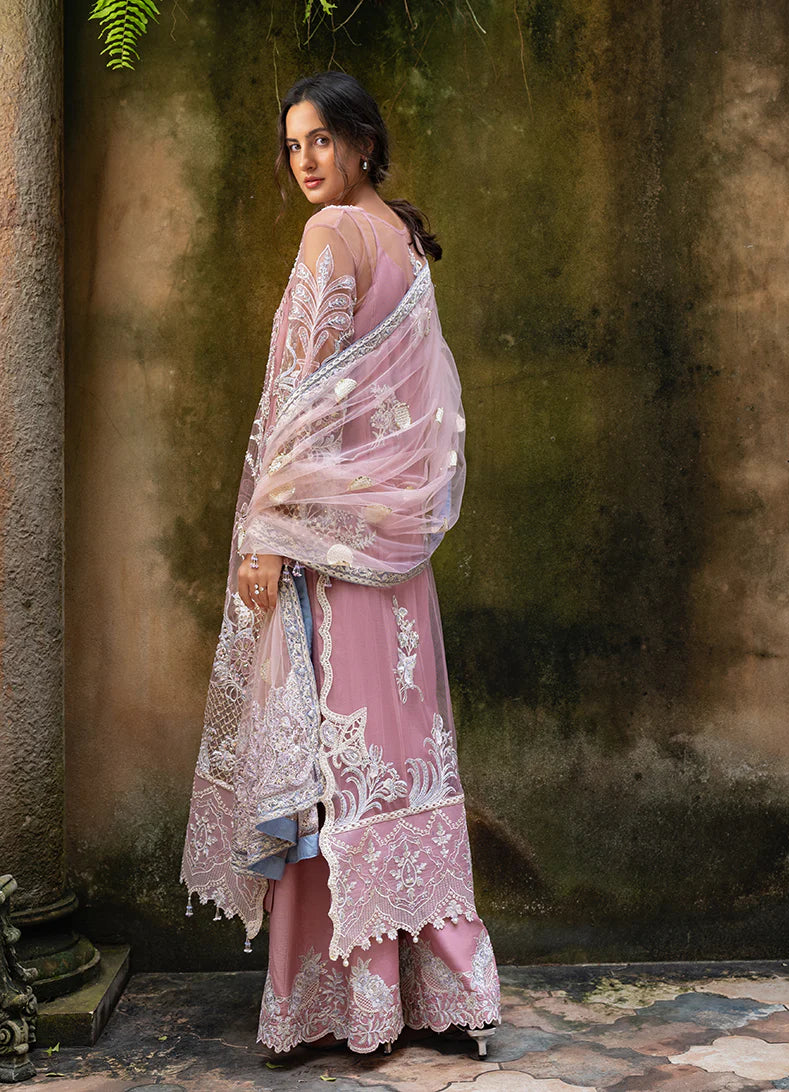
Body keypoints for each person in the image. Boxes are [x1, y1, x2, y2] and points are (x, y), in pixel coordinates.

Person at [179, 70, 501, 1057]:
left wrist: (270, 531)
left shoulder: (333, 235)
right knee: (398, 768)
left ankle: (340, 1004)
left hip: (331, 552)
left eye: (321, 139)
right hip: (397, 558)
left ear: (363, 141)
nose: (306, 160)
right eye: (293, 145)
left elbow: (301, 396)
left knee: (337, 767)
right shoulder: (402, 238)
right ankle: (442, 993)